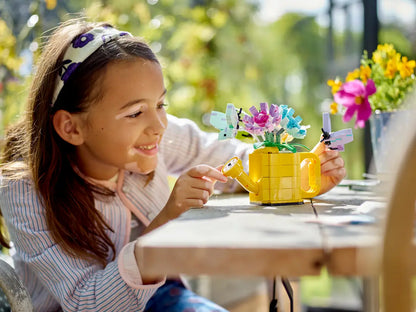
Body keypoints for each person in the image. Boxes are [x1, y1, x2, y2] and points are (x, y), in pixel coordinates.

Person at [0, 19, 346, 312]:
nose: (159, 125)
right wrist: (166, 220)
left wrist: (300, 174)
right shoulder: (25, 190)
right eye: (135, 112)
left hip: (159, 296)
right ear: (71, 127)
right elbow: (86, 303)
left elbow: (231, 160)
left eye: (161, 104)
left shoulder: (156, 136)